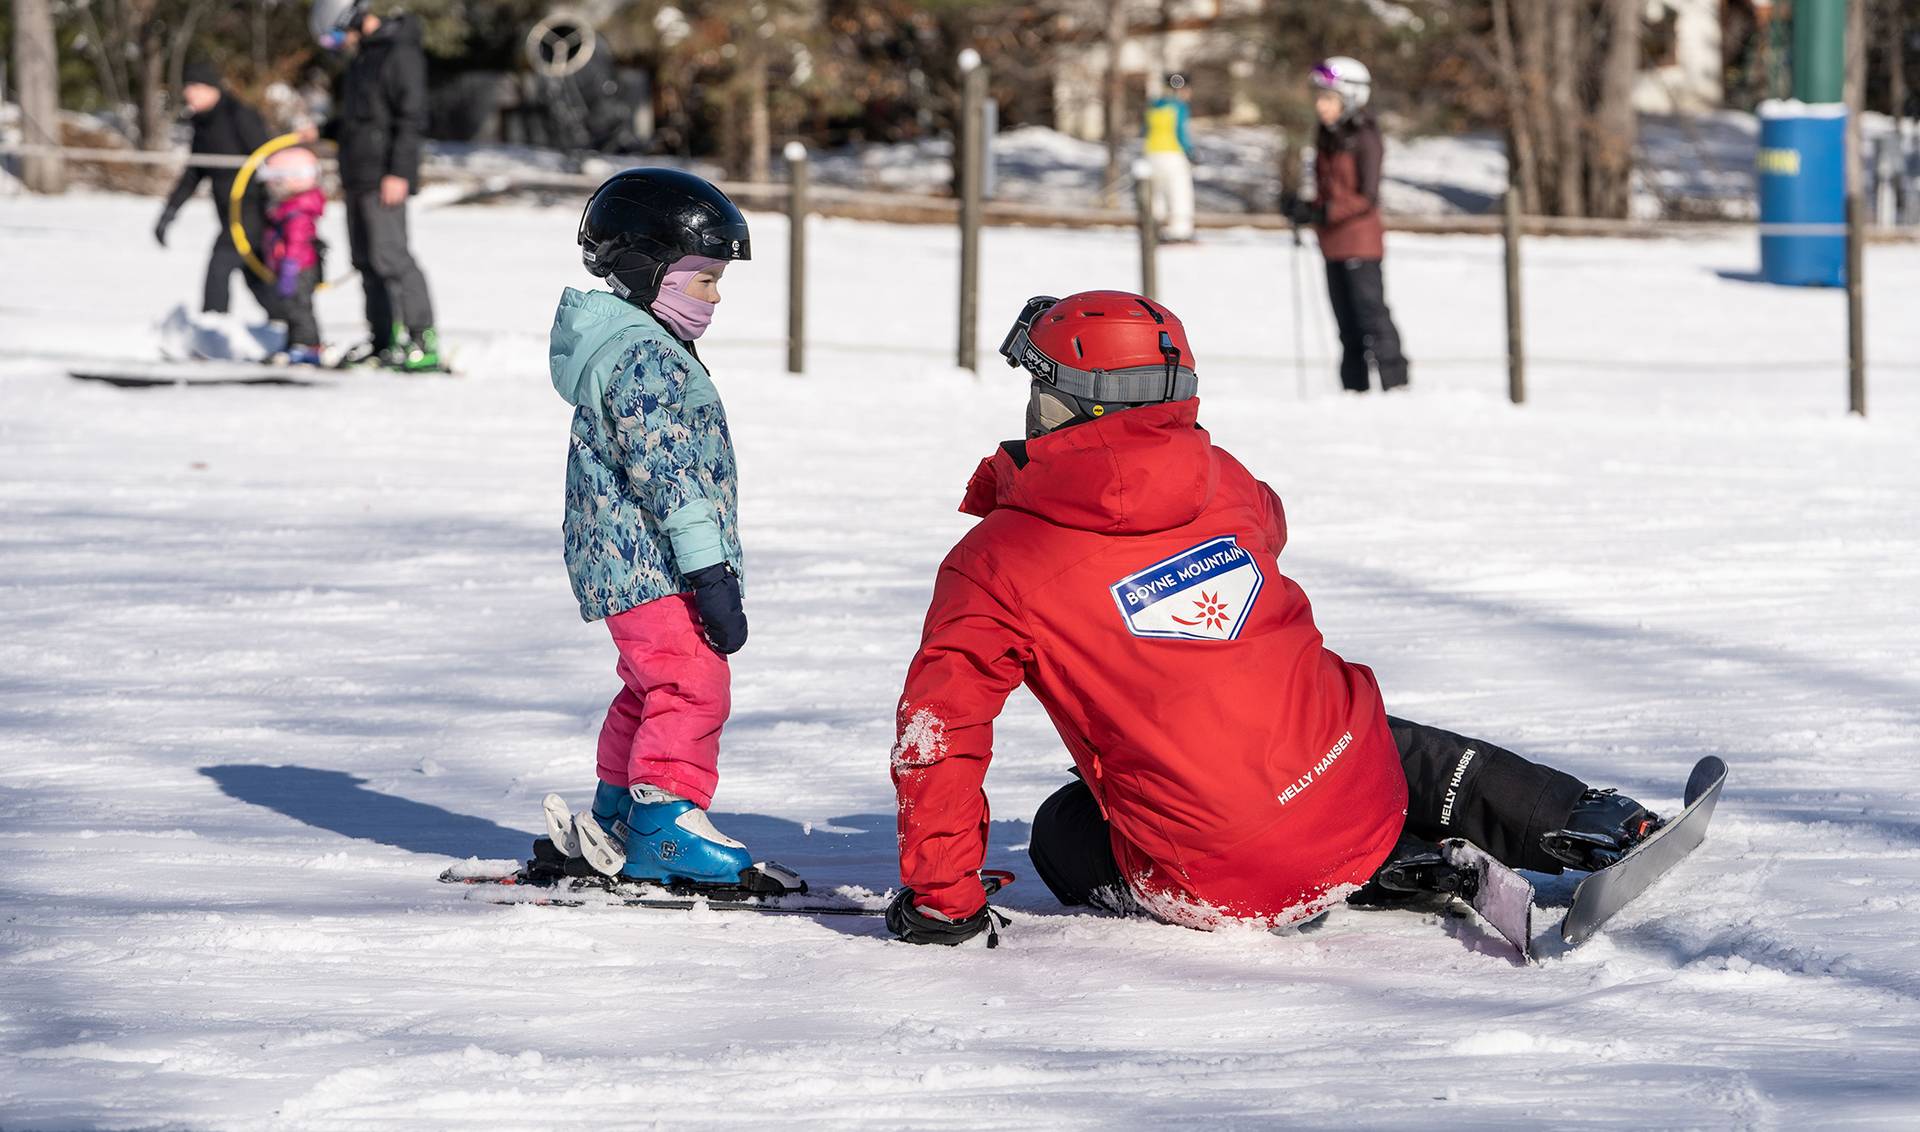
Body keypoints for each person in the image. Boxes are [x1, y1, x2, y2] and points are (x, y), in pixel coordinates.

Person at [882, 291, 1659, 946]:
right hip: (1356, 786)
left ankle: (1387, 872)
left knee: (1063, 831)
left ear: (1057, 403)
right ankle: (1586, 817)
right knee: (1365, 730)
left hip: (1221, 876)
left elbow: (939, 735)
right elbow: (1269, 525)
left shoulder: (995, 561)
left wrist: (942, 903)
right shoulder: (1222, 480)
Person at [537, 168, 758, 886]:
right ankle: (664, 824)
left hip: (632, 562)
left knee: (649, 687)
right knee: (692, 685)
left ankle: (615, 813)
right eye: (703, 280)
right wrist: (709, 570)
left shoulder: (637, 343)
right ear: (645, 268)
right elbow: (670, 474)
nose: (715, 297)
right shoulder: (640, 356)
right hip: (652, 562)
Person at [307, 0, 442, 372]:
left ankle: (422, 339)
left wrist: (399, 172)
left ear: (349, 17)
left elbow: (411, 118)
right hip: (357, 173)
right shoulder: (363, 58)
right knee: (365, 261)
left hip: (384, 175)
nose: (338, 43)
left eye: (336, 34)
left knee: (392, 257)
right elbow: (362, 120)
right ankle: (382, 339)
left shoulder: (400, 53)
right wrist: (321, 131)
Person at [1288, 56, 1409, 393]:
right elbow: (1330, 192)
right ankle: (1354, 388)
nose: (1320, 106)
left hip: (1360, 242)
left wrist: (1324, 212)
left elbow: (1366, 196)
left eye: (1328, 98)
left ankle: (1394, 382)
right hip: (1332, 243)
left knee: (1372, 315)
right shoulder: (1327, 136)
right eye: (1319, 98)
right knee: (1345, 323)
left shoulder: (1365, 137)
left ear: (1351, 97)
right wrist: (1304, 208)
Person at [153, 61, 280, 320]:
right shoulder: (201, 122)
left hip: (250, 209)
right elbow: (195, 172)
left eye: (197, 87)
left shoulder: (239, 114)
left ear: (213, 89)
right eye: (188, 88)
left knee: (220, 264)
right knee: (255, 276)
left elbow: (268, 157)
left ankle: (213, 325)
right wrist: (170, 211)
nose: (190, 94)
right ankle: (288, 324)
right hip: (226, 211)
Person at [260, 146, 328, 365]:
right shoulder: (286, 207)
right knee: (290, 308)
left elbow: (297, 242)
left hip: (299, 268)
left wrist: (290, 266)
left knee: (300, 308)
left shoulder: (297, 211)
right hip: (289, 267)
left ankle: (309, 345)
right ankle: (294, 343)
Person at [1142, 73, 1196, 243]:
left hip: (1151, 154)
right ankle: (1180, 232)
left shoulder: (1153, 106)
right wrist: (1190, 151)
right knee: (1179, 192)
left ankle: (1154, 229)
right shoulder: (1178, 107)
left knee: (1156, 194)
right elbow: (1180, 132)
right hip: (1173, 154)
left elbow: (1144, 130)